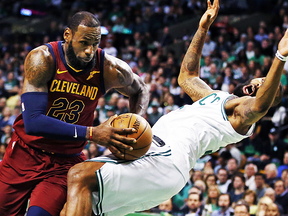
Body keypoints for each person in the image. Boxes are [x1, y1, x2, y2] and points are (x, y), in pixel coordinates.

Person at [61, 0, 287, 215]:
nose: (258, 85)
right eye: (259, 80)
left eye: (265, 87)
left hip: (166, 160)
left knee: (80, 175)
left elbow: (259, 105)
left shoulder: (241, 115)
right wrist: (202, 28)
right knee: (79, 202)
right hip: (156, 158)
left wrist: (280, 56)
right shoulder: (217, 99)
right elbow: (187, 77)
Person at [0, 11, 149, 216]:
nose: (90, 50)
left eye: (95, 43)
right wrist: (92, 133)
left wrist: (136, 123)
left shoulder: (109, 68)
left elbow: (141, 89)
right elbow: (33, 122)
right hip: (25, 153)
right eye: (84, 42)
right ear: (68, 35)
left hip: (64, 162)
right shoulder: (42, 59)